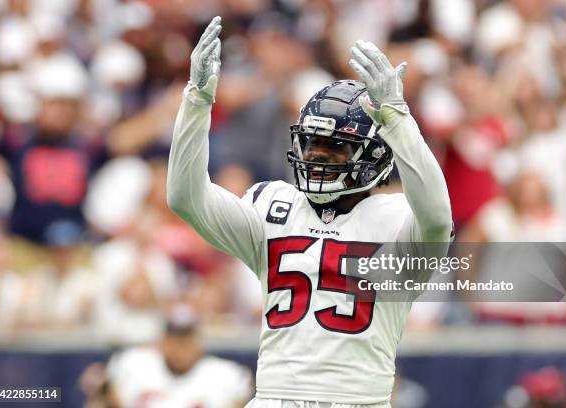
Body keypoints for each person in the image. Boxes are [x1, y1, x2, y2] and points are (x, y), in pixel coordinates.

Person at [167, 16, 452, 408]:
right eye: (311, 142)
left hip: (358, 400)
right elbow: (186, 197)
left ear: (374, 157)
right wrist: (197, 101)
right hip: (273, 397)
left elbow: (438, 215)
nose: (317, 154)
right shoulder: (272, 204)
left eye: (334, 146)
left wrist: (398, 118)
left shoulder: (400, 219)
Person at [106, 306, 253, 408]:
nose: (180, 347)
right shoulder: (135, 364)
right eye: (174, 340)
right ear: (163, 341)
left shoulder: (225, 375)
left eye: (186, 340)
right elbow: (107, 398)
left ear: (198, 342)